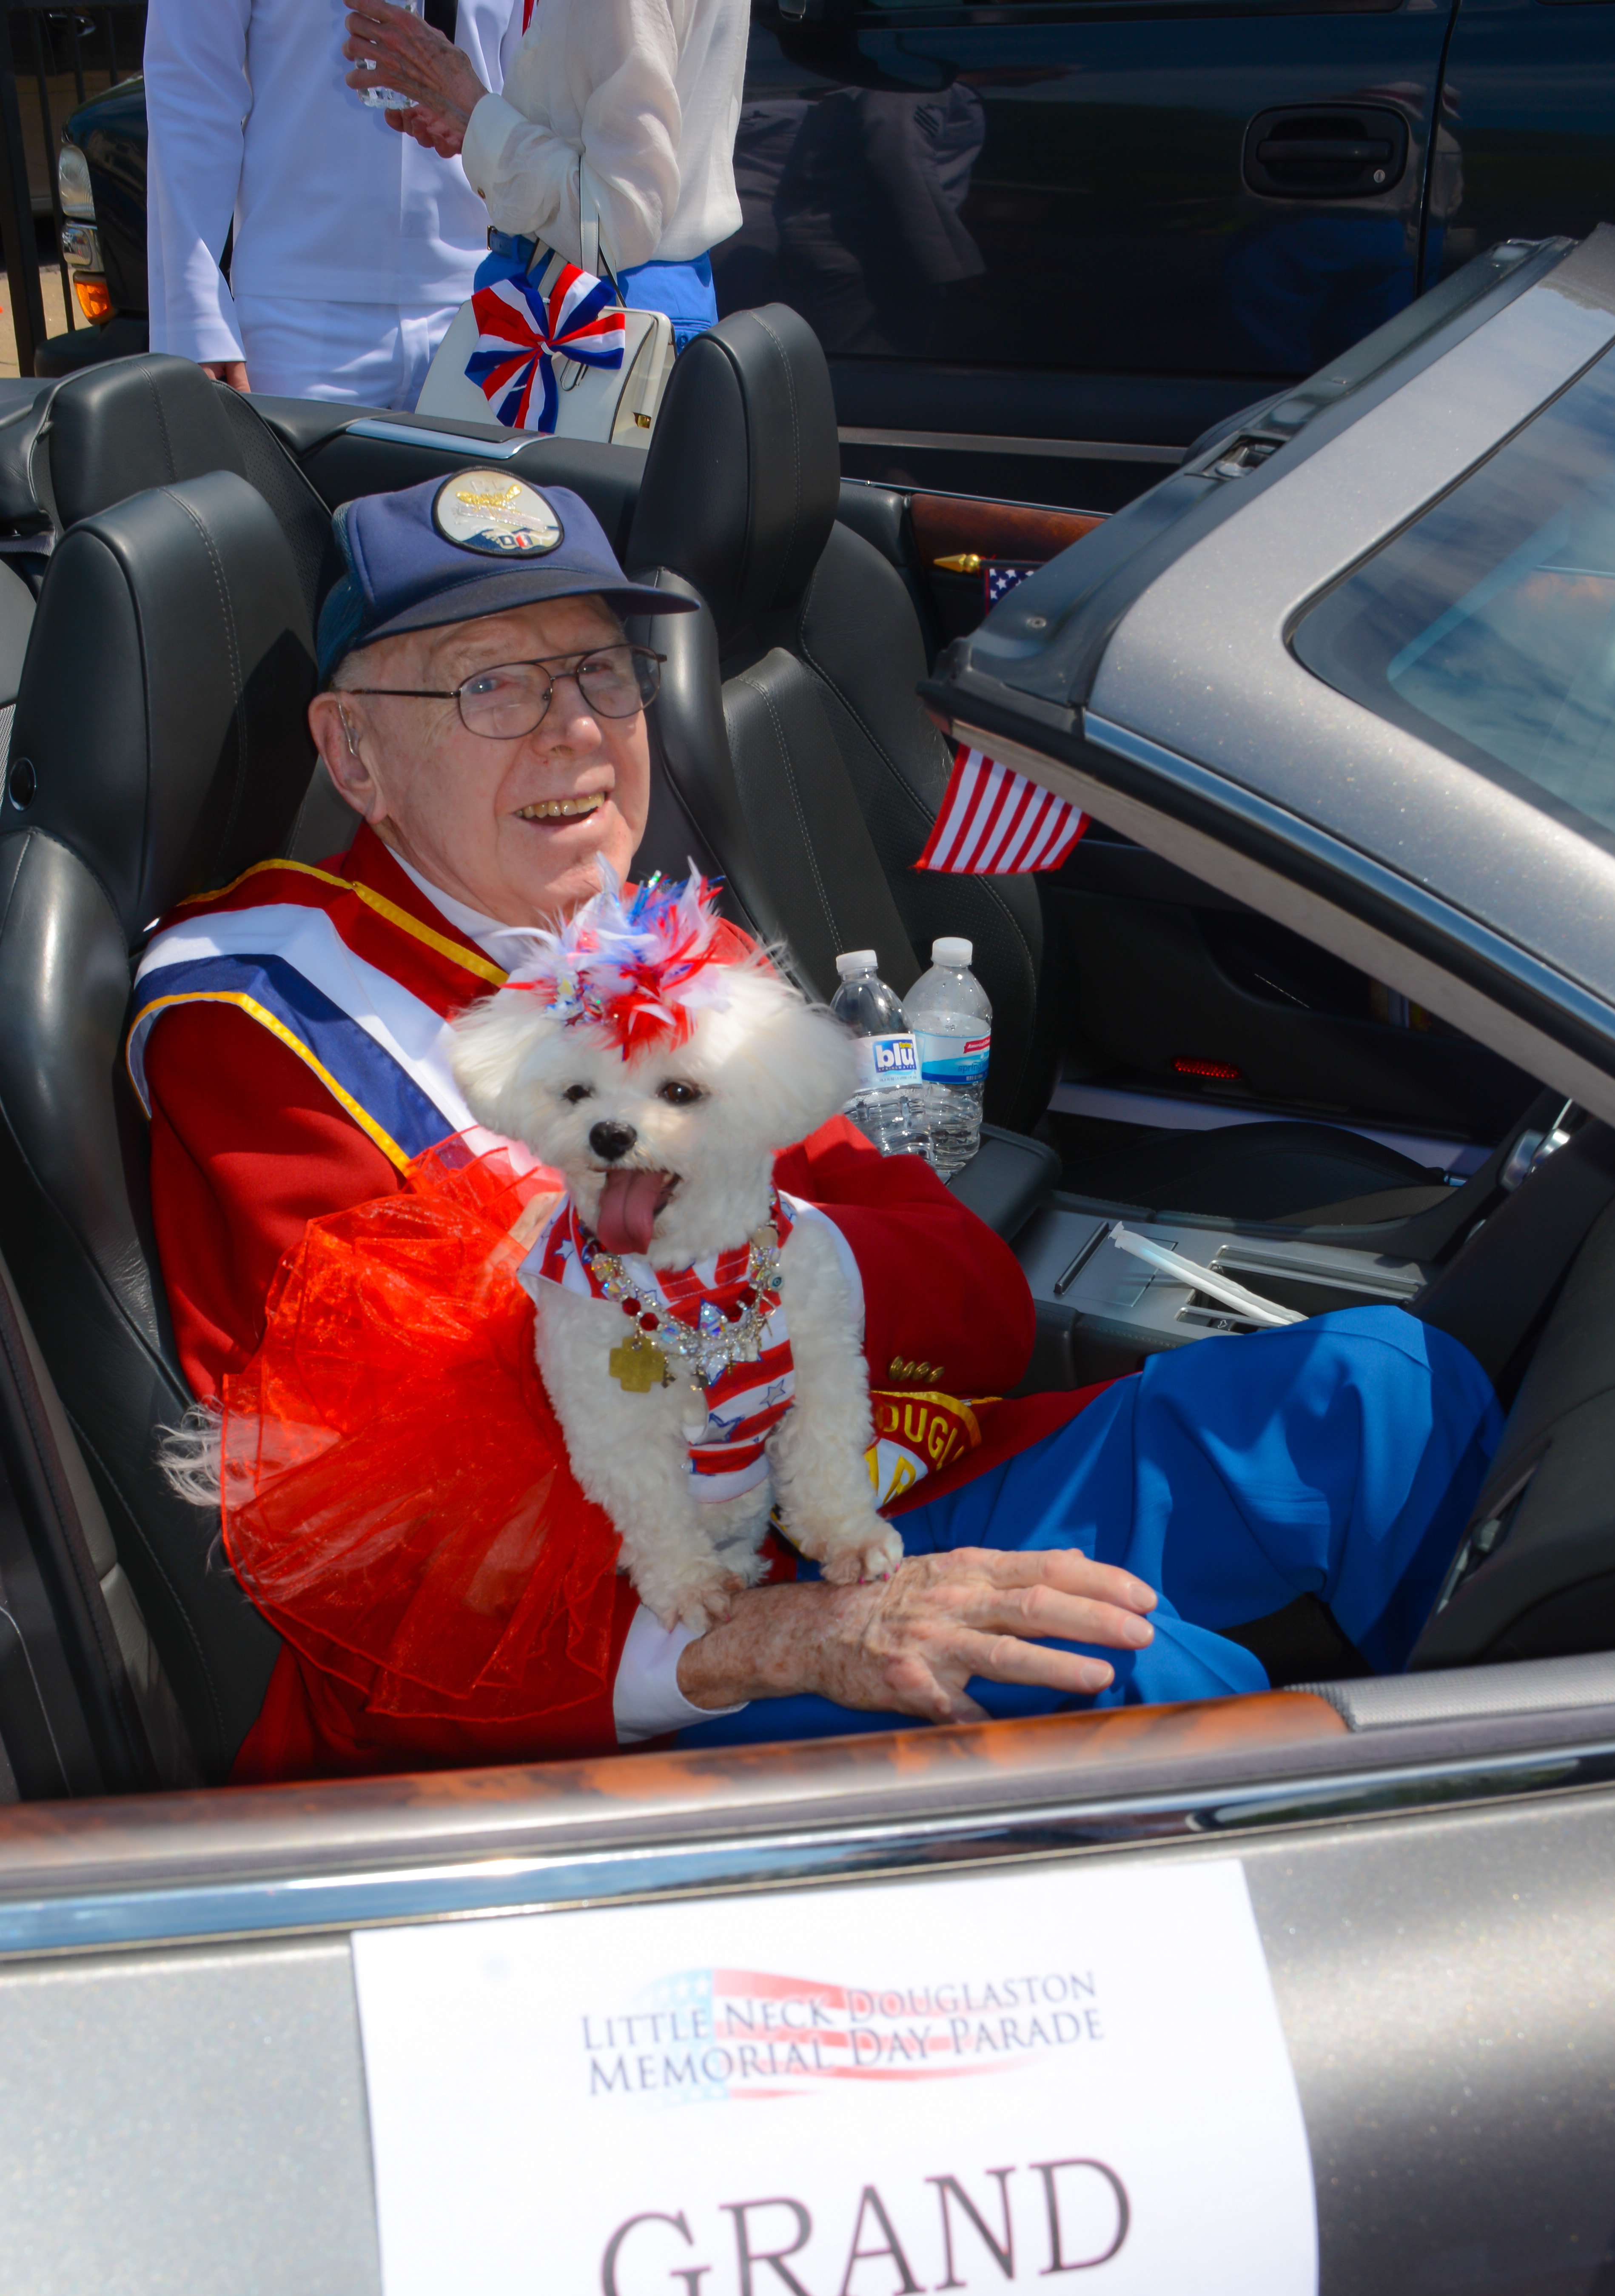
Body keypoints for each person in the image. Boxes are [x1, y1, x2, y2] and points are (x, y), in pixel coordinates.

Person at [128, 469, 1504, 1782]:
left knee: (1380, 1390)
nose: (576, 731)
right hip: (597, 1672)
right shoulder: (271, 1027)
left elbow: (969, 1300)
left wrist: (772, 1254)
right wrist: (783, 1636)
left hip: (848, 1490)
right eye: (492, 685)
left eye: (601, 671)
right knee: (1143, 1680)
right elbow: (397, 1555)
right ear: (353, 753)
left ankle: (1541, 1786)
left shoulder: (674, 954)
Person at [145, 0, 526, 404]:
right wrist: (195, 320)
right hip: (294, 319)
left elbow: (537, 82)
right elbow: (191, 91)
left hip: (486, 301)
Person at [343, 0, 749, 348]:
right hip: (641, 306)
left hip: (590, 320)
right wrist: (479, 127)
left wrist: (470, 108)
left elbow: (616, 221)